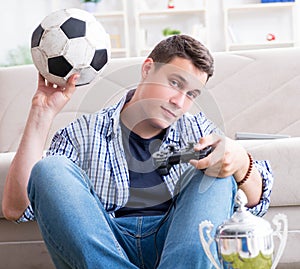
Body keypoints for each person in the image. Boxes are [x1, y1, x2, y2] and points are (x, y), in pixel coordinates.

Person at [2, 35, 273, 269]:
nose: (179, 102)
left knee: (220, 168)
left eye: (191, 94)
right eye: (175, 83)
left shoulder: (198, 130)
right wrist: (42, 111)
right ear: (147, 69)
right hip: (106, 246)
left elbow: (257, 199)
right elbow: (16, 208)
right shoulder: (83, 133)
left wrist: (240, 161)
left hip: (177, 246)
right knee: (50, 168)